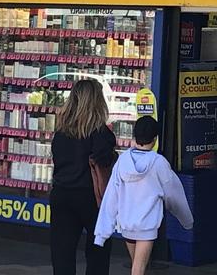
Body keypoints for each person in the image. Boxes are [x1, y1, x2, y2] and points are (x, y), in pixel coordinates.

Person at [94, 116, 194, 275]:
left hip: (126, 225)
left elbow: (111, 198)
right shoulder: (159, 163)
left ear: (134, 136)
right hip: (147, 227)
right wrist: (187, 221)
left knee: (137, 266)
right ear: (155, 140)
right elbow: (174, 195)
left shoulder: (123, 161)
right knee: (138, 269)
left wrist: (101, 234)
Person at [50, 79, 116, 275]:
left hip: (62, 195)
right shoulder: (101, 133)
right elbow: (104, 159)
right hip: (92, 198)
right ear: (98, 101)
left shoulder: (61, 132)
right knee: (98, 251)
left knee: (62, 254)